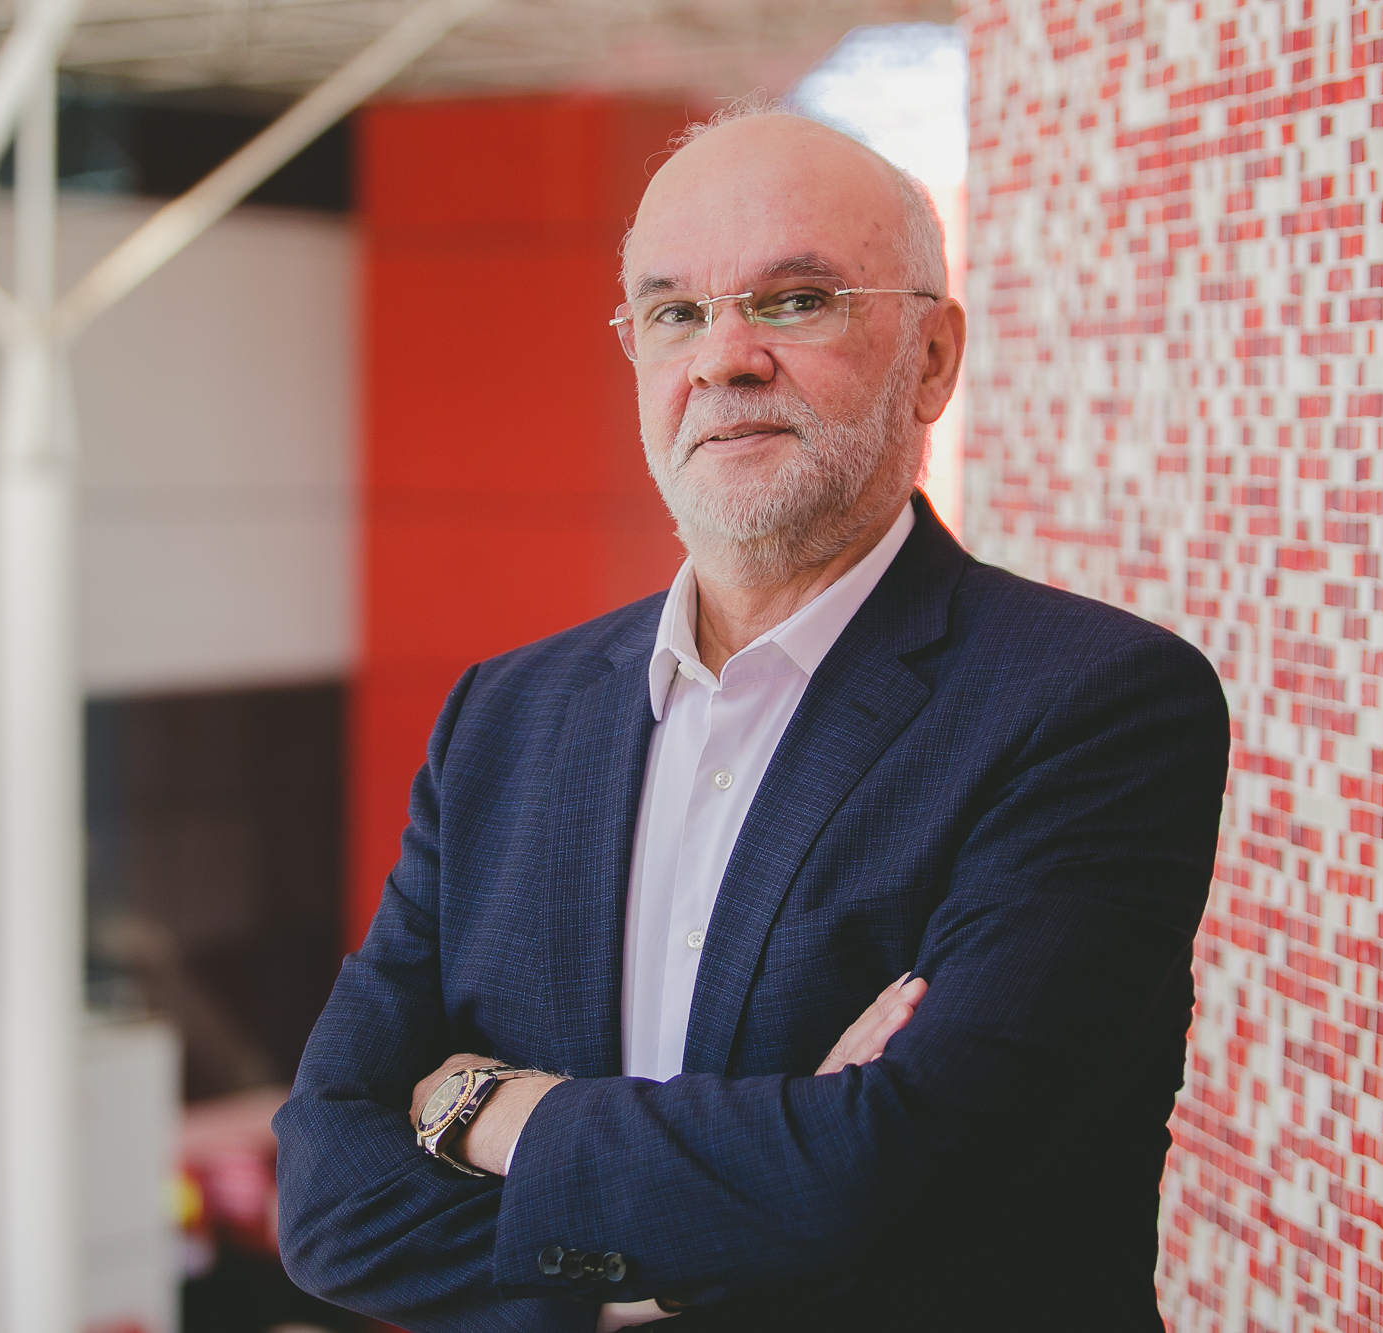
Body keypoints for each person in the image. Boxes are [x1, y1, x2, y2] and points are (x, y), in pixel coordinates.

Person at [275, 102, 1229, 1331]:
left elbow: (899, 1171)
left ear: (932, 358)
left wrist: (490, 1112)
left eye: (795, 300)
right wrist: (693, 1245)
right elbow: (328, 1202)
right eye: (674, 312)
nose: (722, 359)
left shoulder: (1092, 704)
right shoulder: (502, 717)